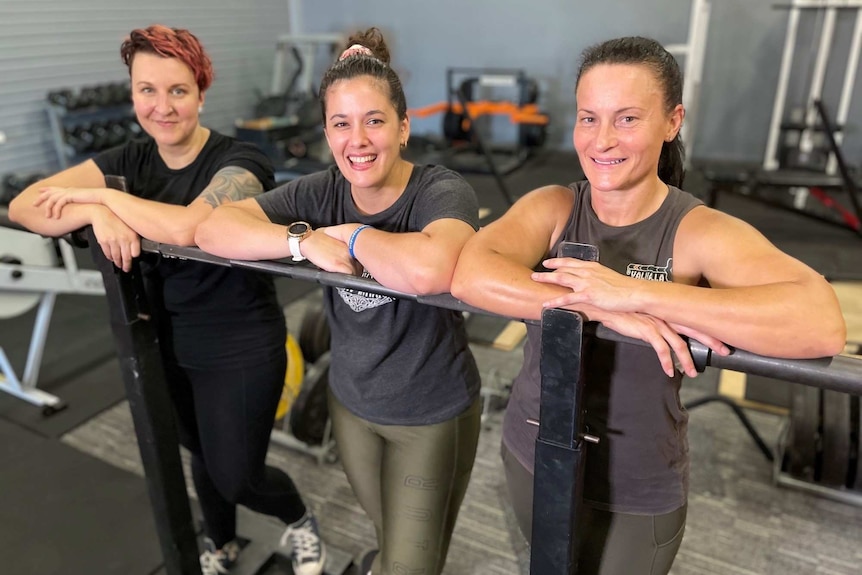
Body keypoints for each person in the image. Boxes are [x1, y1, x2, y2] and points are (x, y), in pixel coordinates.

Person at [450, 36, 847, 574]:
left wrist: (635, 292)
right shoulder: (555, 206)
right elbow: (470, 273)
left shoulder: (695, 230)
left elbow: (820, 323)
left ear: (672, 120)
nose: (602, 139)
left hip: (636, 487)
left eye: (628, 118)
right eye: (589, 118)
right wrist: (602, 308)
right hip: (532, 454)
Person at [8, 25, 325, 575]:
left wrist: (103, 196)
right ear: (132, 94)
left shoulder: (242, 162)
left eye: (177, 90)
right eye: (146, 90)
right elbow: (24, 206)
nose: (161, 106)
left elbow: (191, 230)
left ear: (201, 93)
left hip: (240, 343)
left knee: (238, 473)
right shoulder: (131, 159)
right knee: (201, 456)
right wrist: (97, 214)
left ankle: (299, 519)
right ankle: (221, 542)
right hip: (166, 343)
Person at [194, 27, 483, 575]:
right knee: (389, 537)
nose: (359, 140)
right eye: (341, 124)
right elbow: (214, 229)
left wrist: (349, 236)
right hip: (350, 407)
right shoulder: (318, 191)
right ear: (327, 134)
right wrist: (302, 240)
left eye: (374, 121)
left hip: (430, 412)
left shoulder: (440, 191)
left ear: (403, 127)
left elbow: (429, 269)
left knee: (410, 565)